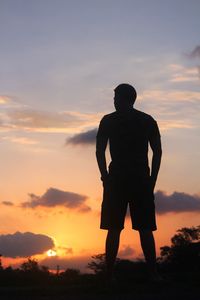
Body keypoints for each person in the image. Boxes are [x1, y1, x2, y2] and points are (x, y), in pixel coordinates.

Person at [96, 83, 162, 282]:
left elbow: (100, 151)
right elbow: (157, 151)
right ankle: (150, 274)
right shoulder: (146, 120)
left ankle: (113, 275)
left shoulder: (110, 121)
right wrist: (152, 180)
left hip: (121, 180)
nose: (114, 101)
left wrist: (105, 177)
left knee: (120, 228)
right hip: (135, 179)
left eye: (116, 98)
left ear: (126, 99)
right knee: (139, 228)